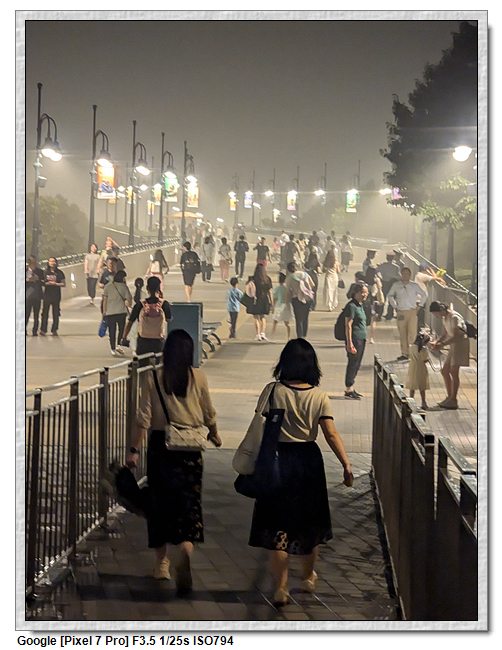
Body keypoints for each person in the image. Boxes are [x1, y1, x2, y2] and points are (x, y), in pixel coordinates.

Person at [247, 338, 354, 606]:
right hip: (308, 461)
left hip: (276, 460)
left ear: (284, 362)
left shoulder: (273, 391)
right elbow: (330, 433)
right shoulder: (319, 396)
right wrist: (346, 464)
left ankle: (280, 588)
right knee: (308, 524)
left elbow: (259, 424)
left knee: (277, 527)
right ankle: (307, 577)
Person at [126, 330, 222, 592]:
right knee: (189, 505)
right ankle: (186, 551)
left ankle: (162, 564)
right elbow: (208, 412)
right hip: (190, 450)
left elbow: (144, 418)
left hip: (162, 448)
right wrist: (214, 433)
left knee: (159, 505)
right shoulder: (198, 377)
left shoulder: (154, 377)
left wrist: (134, 450)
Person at [428, 301, 470, 410]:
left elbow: (456, 336)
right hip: (453, 345)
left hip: (460, 345)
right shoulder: (444, 318)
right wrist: (436, 342)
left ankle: (453, 399)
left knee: (453, 371)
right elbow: (444, 334)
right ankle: (449, 396)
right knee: (445, 371)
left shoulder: (454, 317)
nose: (436, 316)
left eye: (436, 313)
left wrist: (442, 344)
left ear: (441, 310)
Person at [122, 276, 172, 361]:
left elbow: (130, 322)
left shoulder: (140, 304)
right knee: (158, 364)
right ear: (159, 287)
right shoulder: (164, 304)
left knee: (142, 364)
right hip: (158, 340)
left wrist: (124, 337)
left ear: (147, 288)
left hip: (143, 340)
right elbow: (169, 319)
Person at [387, 267, 428, 361]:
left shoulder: (414, 286)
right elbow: (390, 295)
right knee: (402, 333)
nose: (405, 276)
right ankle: (404, 353)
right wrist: (395, 306)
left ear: (410, 275)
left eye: (407, 274)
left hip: (412, 311)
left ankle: (412, 351)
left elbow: (424, 294)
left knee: (412, 333)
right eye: (404, 273)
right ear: (401, 274)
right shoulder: (396, 285)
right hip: (401, 311)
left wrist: (420, 305)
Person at [344, 283, 368, 399]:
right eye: (363, 292)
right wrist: (349, 343)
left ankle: (351, 387)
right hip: (355, 339)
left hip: (361, 339)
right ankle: (348, 387)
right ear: (356, 293)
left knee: (357, 363)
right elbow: (348, 325)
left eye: (366, 293)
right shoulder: (351, 306)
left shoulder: (360, 305)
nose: (365, 295)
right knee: (353, 363)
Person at [102, 269, 132, 356]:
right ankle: (119, 345)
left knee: (112, 330)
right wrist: (127, 303)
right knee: (121, 329)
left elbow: (105, 300)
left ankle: (112, 348)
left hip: (110, 312)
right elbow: (129, 301)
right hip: (121, 311)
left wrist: (104, 310)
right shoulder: (124, 287)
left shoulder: (108, 286)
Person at [285, 262, 315, 339]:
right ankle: (304, 334)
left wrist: (286, 301)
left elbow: (288, 291)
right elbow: (312, 284)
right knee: (305, 317)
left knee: (298, 318)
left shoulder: (289, 277)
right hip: (307, 298)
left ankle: (300, 335)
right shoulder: (304, 274)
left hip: (296, 299)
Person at [245, 264, 274, 341]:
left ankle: (258, 334)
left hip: (255, 299)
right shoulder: (267, 279)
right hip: (264, 299)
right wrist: (272, 303)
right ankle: (263, 333)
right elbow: (270, 292)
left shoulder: (252, 279)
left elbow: (247, 289)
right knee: (262, 317)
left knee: (256, 317)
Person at [414, 262, 446, 330]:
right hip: (420, 299)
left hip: (418, 298)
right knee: (420, 315)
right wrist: (432, 270)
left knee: (420, 314)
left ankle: (418, 329)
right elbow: (435, 278)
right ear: (425, 269)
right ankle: (419, 329)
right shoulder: (421, 276)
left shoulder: (418, 275)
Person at [406, 329, 431, 413]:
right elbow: (424, 359)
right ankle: (423, 402)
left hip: (412, 367)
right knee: (422, 386)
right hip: (421, 368)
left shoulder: (412, 347)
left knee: (412, 386)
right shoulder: (423, 350)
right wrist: (428, 359)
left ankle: (410, 401)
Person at [40, 257, 66, 336]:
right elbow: (41, 282)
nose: (52, 263)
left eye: (54, 261)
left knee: (56, 313)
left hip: (56, 295)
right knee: (45, 313)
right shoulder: (45, 272)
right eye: (51, 261)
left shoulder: (59, 273)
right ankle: (43, 329)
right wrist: (46, 283)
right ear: (48, 262)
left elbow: (64, 284)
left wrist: (56, 284)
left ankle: (54, 329)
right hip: (47, 295)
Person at [376, 253, 401, 320]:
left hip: (385, 283)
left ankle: (380, 314)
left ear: (386, 258)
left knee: (382, 299)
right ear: (393, 258)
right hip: (392, 283)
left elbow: (376, 271)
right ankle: (389, 314)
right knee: (391, 299)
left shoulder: (383, 265)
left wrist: (380, 278)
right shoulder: (396, 267)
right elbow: (399, 276)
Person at [25, 255, 45, 336]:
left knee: (36, 315)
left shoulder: (40, 271)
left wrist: (38, 279)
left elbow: (44, 282)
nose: (34, 264)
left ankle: (35, 331)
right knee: (26, 314)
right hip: (27, 296)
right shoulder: (25, 271)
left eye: (35, 262)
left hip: (37, 296)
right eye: (32, 262)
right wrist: (27, 280)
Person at [271, 272, 292, 340]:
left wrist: (272, 307)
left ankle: (272, 335)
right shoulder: (286, 289)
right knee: (287, 323)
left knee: (275, 322)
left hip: (278, 306)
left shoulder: (277, 289)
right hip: (286, 306)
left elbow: (274, 298)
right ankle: (288, 336)